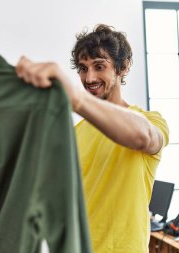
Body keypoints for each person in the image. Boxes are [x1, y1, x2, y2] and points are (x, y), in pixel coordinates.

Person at [15, 24, 169, 253]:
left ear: (123, 67)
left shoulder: (150, 121)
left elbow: (144, 138)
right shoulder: (75, 133)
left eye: (99, 66)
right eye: (83, 68)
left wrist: (75, 99)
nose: (89, 77)